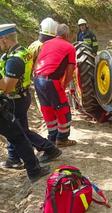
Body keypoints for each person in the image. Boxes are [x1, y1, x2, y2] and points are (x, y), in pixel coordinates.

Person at [0, 23, 52, 182]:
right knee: (19, 133)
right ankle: (21, 161)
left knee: (19, 133)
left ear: (4, 39)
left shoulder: (15, 59)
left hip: (16, 99)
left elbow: (7, 87)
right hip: (19, 96)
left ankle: (44, 152)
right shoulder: (23, 52)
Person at [34, 24, 77, 147]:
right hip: (51, 81)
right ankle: (62, 139)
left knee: (47, 109)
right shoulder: (70, 47)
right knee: (63, 109)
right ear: (66, 35)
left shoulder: (46, 44)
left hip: (37, 79)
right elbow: (70, 70)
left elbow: (38, 62)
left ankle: (52, 136)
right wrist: (64, 86)